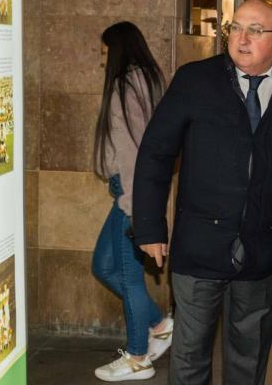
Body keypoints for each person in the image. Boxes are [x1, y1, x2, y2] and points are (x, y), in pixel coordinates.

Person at [133, 0, 272, 385]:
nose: (242, 38)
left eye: (256, 30)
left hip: (264, 246)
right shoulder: (195, 80)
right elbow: (156, 152)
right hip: (200, 244)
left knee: (248, 358)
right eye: (236, 28)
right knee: (190, 355)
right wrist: (150, 227)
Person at [90, 22, 174, 382]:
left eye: (105, 50)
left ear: (119, 49)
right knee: (104, 265)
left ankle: (138, 357)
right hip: (138, 191)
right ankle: (158, 324)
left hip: (132, 194)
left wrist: (133, 205)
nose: (102, 57)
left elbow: (130, 151)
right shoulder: (151, 79)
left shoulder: (126, 86)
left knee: (129, 275)